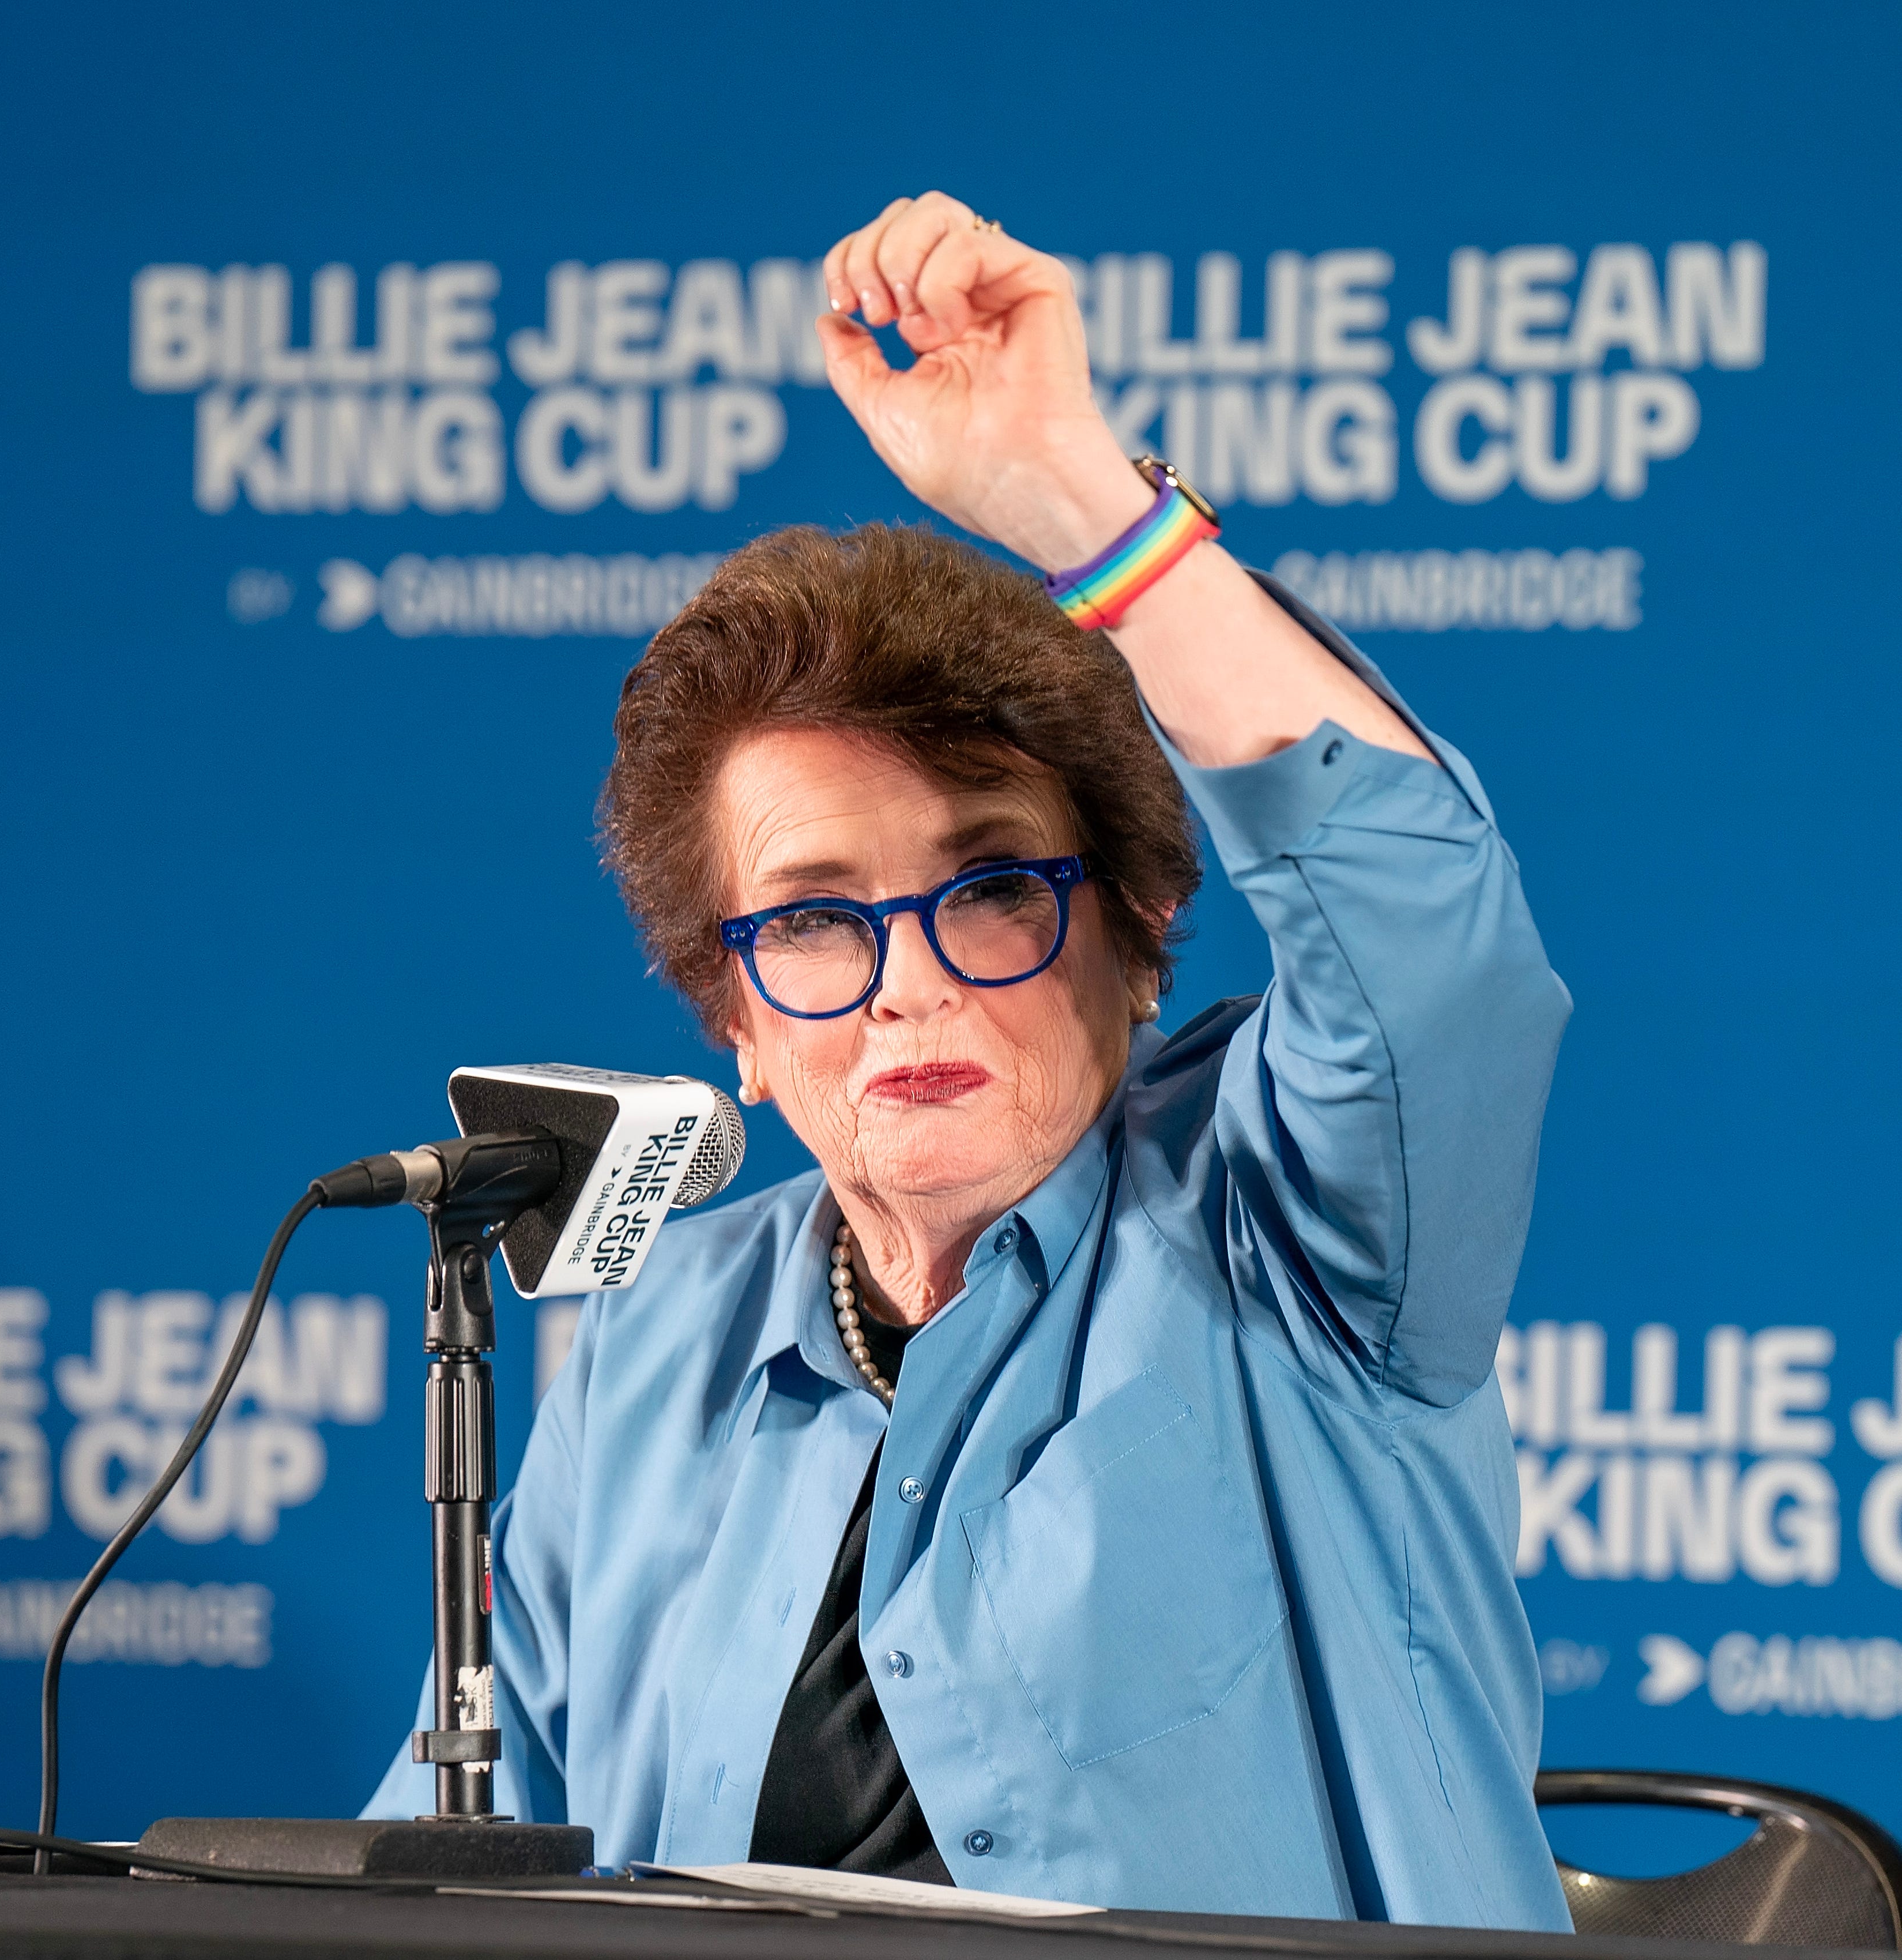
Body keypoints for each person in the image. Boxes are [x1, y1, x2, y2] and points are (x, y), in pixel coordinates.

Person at [367, 191, 1573, 1929]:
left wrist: (1080, 497)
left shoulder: (1302, 1242)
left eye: (993, 888)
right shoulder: (640, 1351)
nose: (904, 987)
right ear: (737, 1024)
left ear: (1142, 937)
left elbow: (1432, 940)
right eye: (812, 919)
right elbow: (463, 1866)